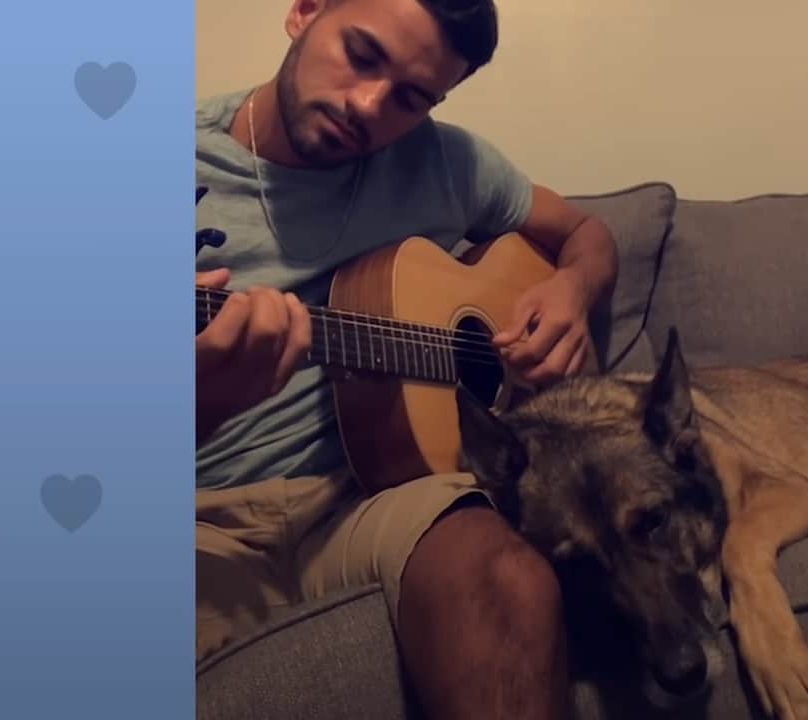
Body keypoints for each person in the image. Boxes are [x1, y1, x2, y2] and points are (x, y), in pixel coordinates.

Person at [193, 1, 617, 718]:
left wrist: (572, 290)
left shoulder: (449, 165)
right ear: (304, 12)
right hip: (198, 512)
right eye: (361, 54)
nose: (368, 105)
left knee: (510, 578)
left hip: (376, 498)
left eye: (411, 98)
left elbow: (586, 232)